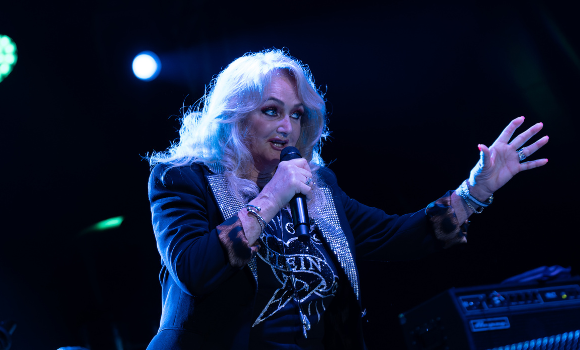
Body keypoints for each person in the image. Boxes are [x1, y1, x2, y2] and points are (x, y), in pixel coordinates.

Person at [145, 49, 548, 350]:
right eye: (271, 111)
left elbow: (397, 235)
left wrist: (475, 190)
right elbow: (193, 269)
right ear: (235, 115)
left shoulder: (318, 189)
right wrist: (272, 197)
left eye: (297, 114)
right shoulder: (183, 177)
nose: (287, 127)